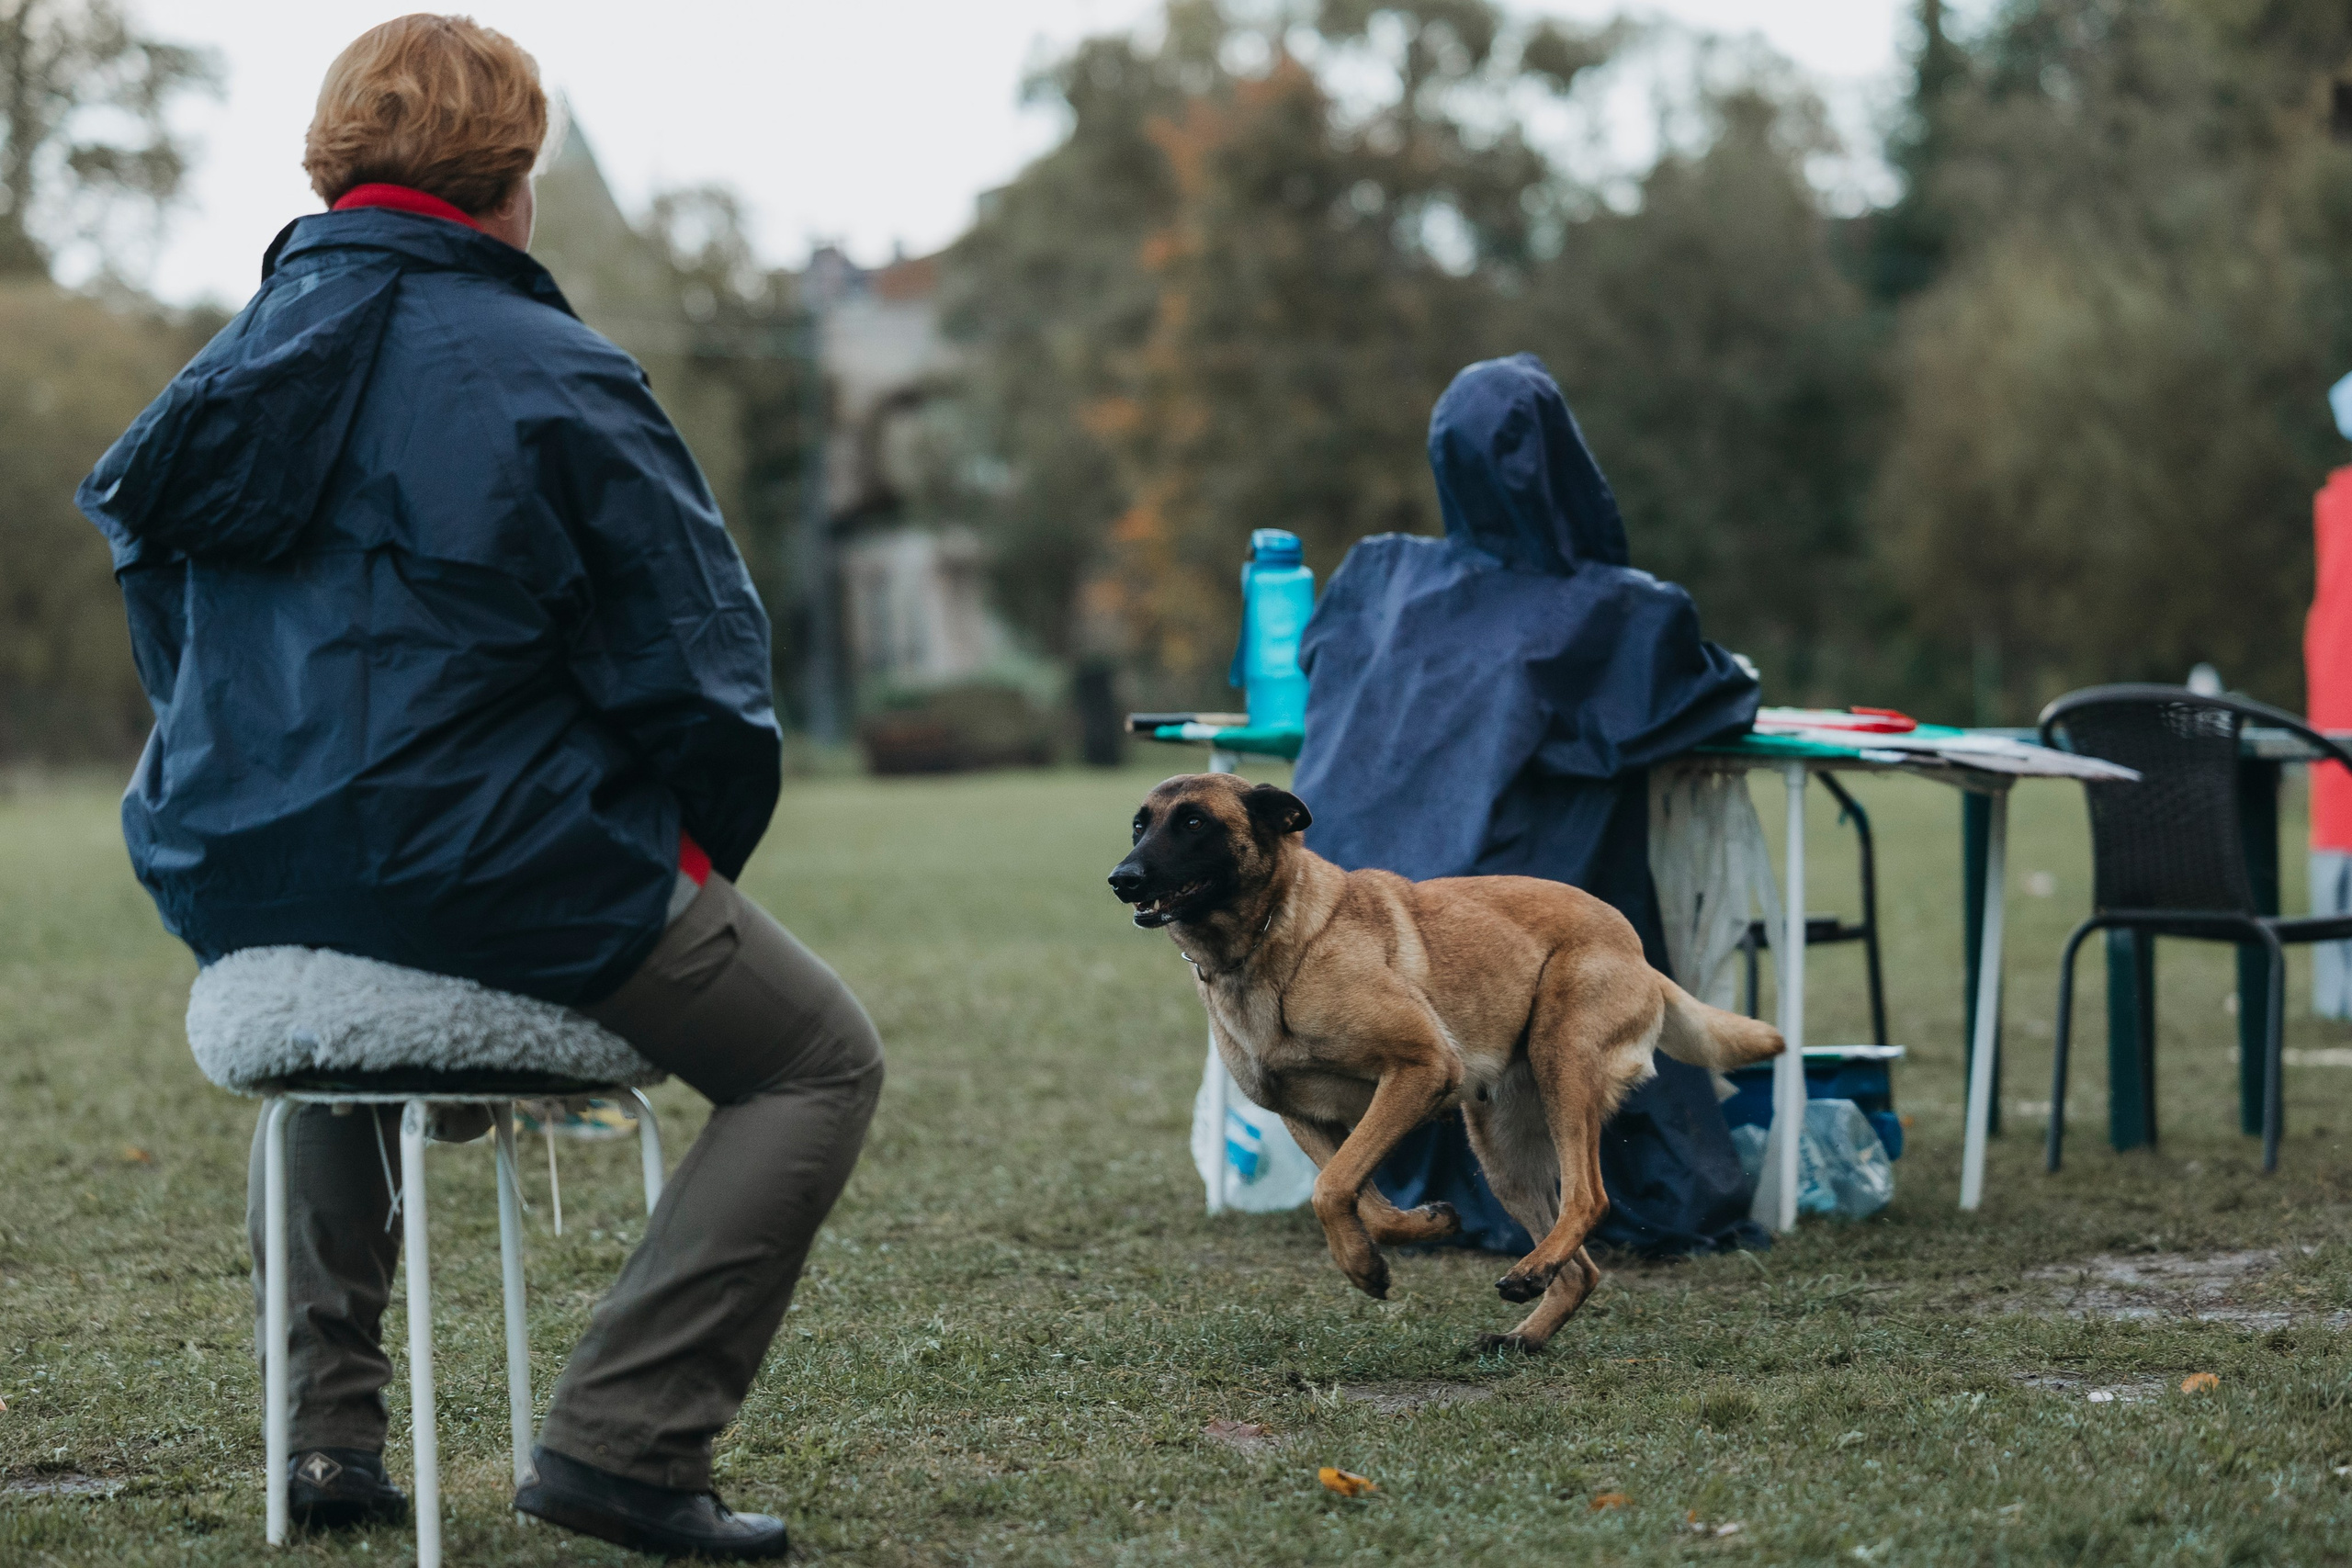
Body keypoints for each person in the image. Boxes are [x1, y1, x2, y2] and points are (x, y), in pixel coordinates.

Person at [75, 17, 878, 1561]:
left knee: (336, 969)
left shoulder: (214, 380)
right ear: (514, 181)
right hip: (509, 872)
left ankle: (325, 1445)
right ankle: (624, 1445)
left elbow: (176, 665)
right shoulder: (562, 372)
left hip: (243, 872)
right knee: (819, 1059)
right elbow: (703, 674)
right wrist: (685, 862)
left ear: (331, 164)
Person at [1291, 353, 1764, 1258]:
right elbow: (1708, 696)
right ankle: (1601, 1185)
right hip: (1492, 932)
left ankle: (1400, 1174)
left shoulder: (1379, 581)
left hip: (1344, 921)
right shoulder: (1608, 610)